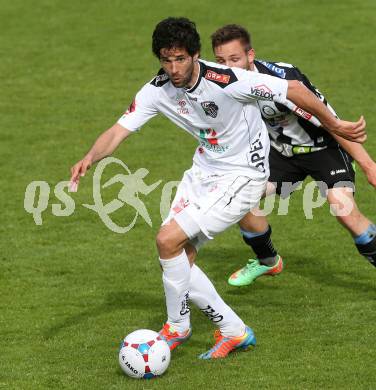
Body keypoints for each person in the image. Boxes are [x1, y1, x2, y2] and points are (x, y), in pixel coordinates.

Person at [70, 17, 366, 359]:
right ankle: (234, 331)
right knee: (177, 257)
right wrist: (90, 157)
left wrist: (333, 123)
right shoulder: (157, 89)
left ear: (195, 55)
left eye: (180, 58)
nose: (173, 67)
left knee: (167, 240)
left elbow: (294, 90)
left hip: (243, 176)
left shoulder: (227, 80)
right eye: (166, 59)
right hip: (204, 171)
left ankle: (177, 327)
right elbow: (119, 130)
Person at [210, 24, 376, 287]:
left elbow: (331, 122)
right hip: (280, 155)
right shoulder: (220, 85)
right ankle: (268, 262)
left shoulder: (281, 83)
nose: (228, 66)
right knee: (238, 196)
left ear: (250, 55)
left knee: (343, 209)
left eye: (234, 59)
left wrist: (368, 165)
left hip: (322, 148)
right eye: (221, 61)